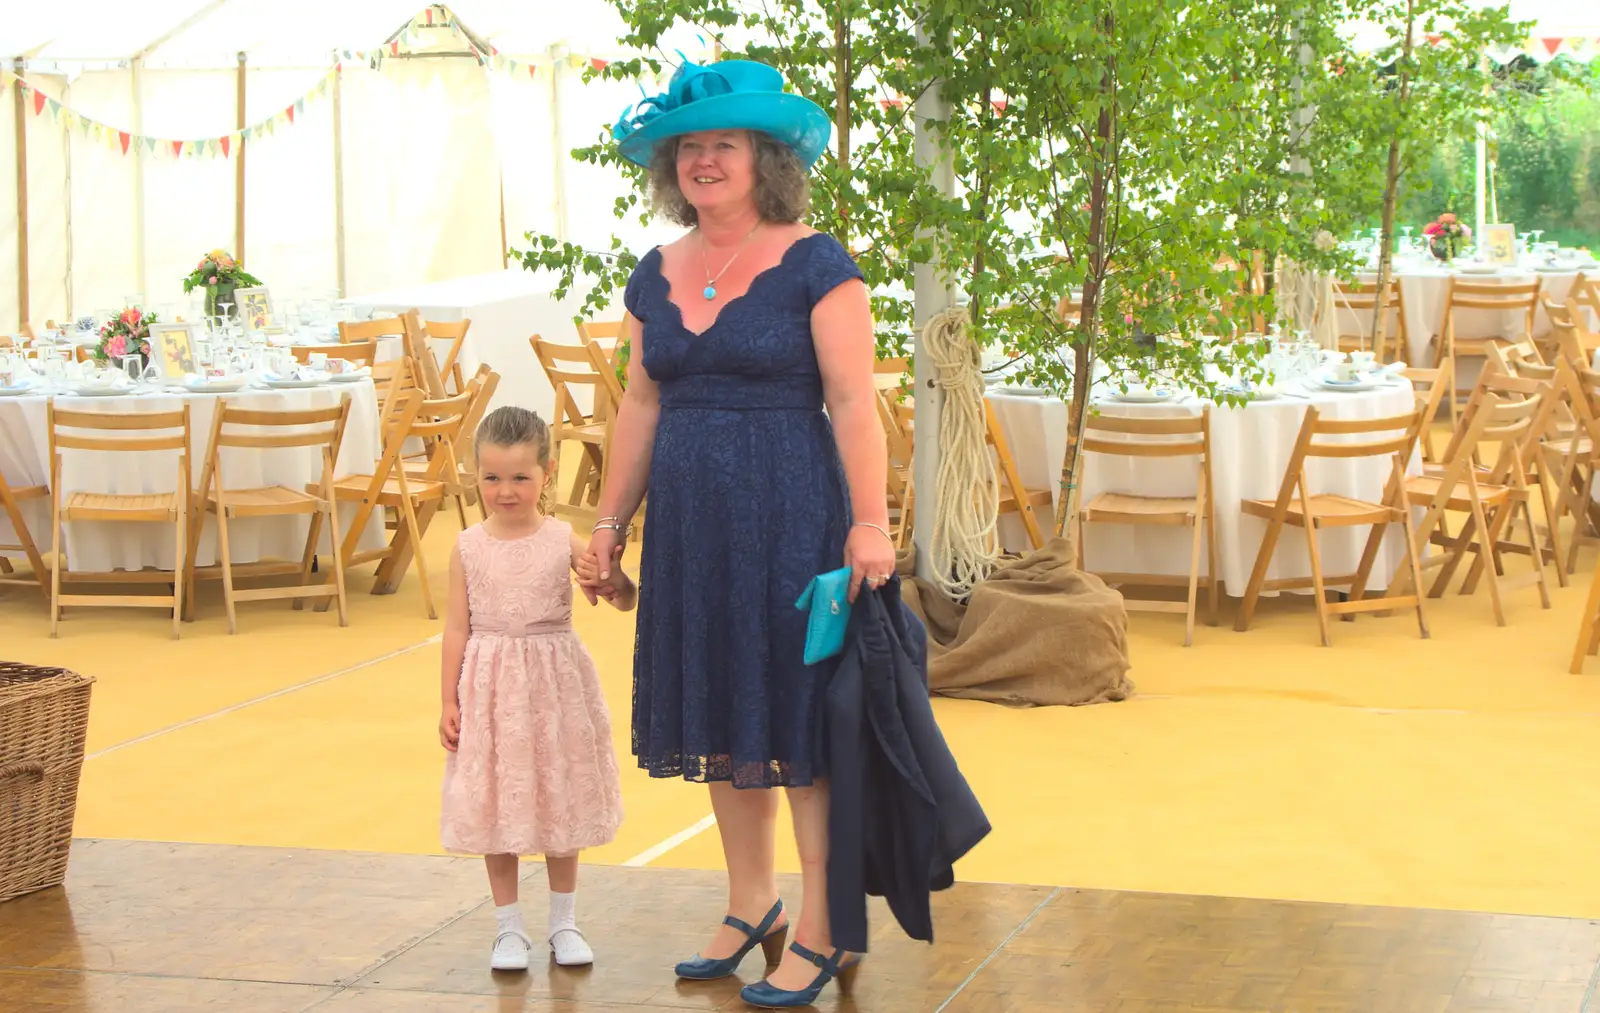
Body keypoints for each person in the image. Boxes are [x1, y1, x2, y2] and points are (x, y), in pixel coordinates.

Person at [581, 59, 895, 1008]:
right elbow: (638, 403)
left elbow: (854, 405)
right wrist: (607, 522)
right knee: (725, 709)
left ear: (766, 159)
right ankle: (751, 900)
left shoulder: (815, 261)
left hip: (795, 516)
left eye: (725, 143)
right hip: (693, 530)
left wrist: (872, 522)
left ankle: (825, 920)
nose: (705, 160)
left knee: (798, 718)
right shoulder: (656, 270)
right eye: (690, 146)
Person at [438, 406, 632, 972]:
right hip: (490, 688)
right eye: (493, 477)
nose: (505, 490)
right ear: (476, 474)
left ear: (546, 473)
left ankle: (564, 922)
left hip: (554, 686)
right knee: (498, 800)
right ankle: (508, 930)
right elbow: (456, 626)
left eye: (520, 477)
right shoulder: (468, 546)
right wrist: (449, 700)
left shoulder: (560, 538)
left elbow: (621, 597)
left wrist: (608, 579)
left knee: (557, 796)